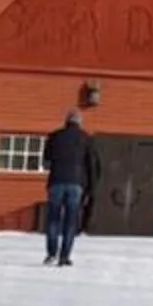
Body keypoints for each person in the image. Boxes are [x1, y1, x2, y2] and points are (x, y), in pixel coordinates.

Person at [42, 111, 94, 265]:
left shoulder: (54, 137)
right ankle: (65, 256)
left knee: (53, 219)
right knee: (71, 220)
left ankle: (52, 254)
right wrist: (90, 187)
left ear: (66, 121)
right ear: (79, 122)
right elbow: (90, 164)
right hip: (76, 183)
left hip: (56, 181)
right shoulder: (86, 138)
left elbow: (46, 162)